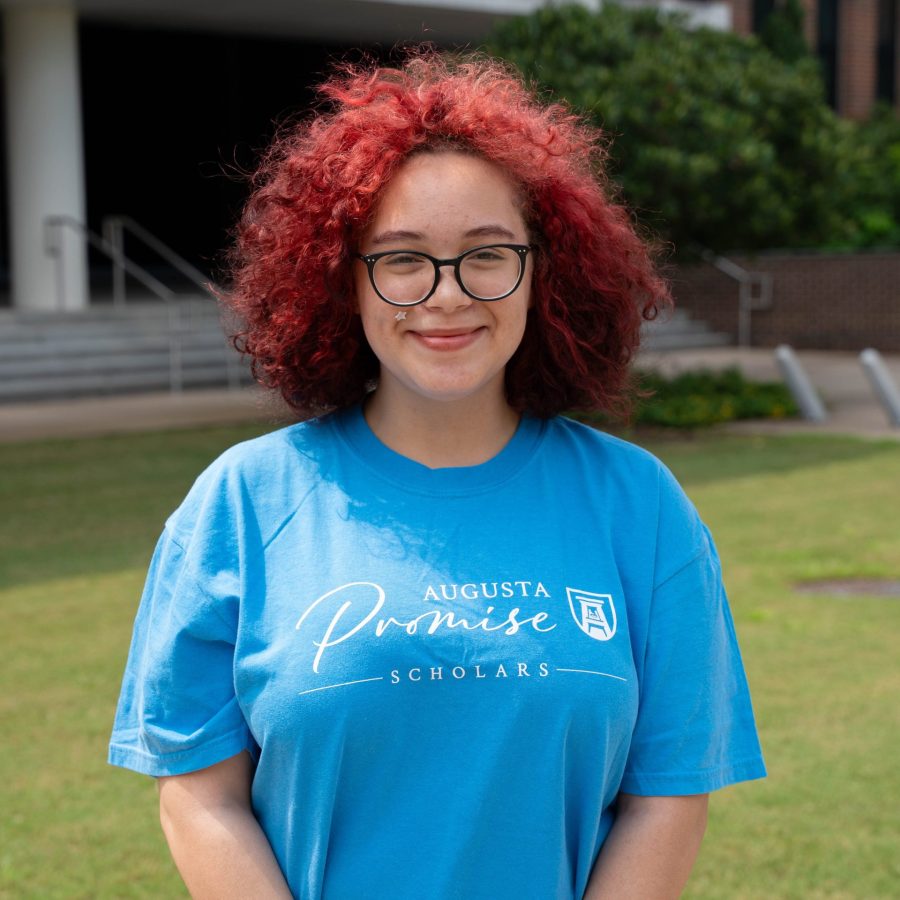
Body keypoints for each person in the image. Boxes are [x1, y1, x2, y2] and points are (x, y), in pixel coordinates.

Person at [109, 52, 766, 899]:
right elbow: (200, 795)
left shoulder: (640, 508)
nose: (447, 295)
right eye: (402, 258)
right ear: (343, 282)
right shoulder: (240, 504)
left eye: (488, 254)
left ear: (545, 273)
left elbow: (666, 797)